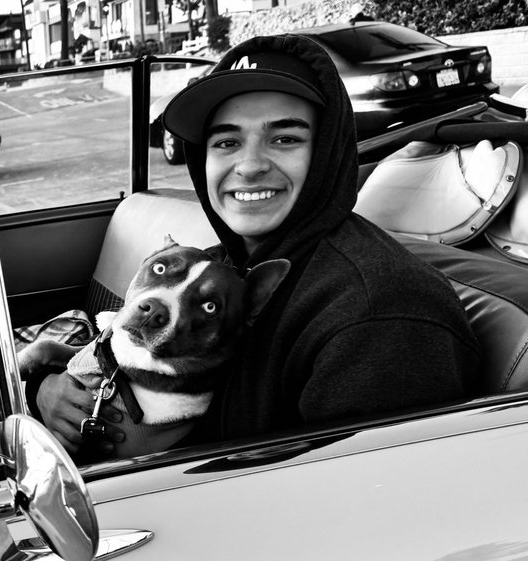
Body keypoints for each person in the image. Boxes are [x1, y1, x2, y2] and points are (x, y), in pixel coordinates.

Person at [35, 33, 480, 452]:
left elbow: (360, 510)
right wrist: (56, 391)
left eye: (284, 138)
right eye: (227, 141)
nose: (249, 166)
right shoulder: (228, 261)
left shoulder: (381, 316)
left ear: (326, 151)